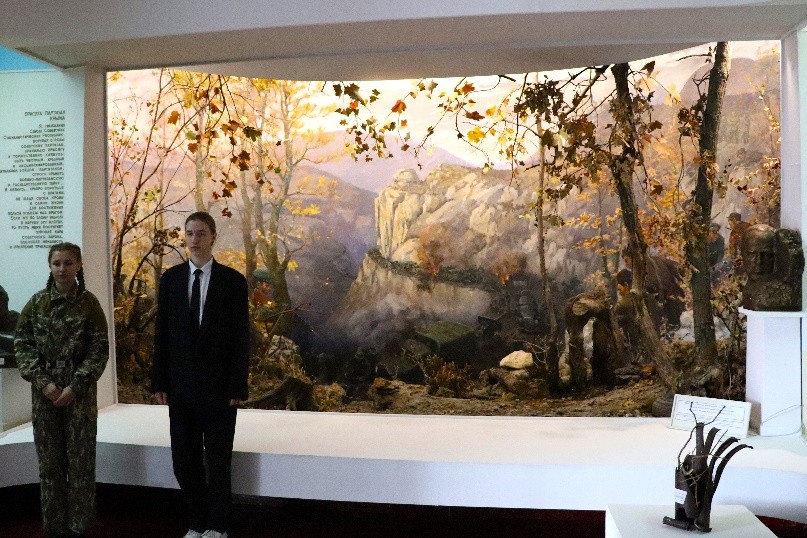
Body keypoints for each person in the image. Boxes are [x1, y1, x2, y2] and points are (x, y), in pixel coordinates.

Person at [150, 211, 250, 538]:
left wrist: (237, 385)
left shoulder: (232, 282)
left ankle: (218, 525)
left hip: (219, 388)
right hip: (181, 386)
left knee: (218, 460)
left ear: (213, 236)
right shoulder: (171, 280)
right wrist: (159, 381)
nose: (195, 239)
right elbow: (162, 334)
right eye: (190, 233)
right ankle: (196, 522)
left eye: (201, 233)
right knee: (184, 460)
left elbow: (240, 337)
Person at [14, 242, 109, 538]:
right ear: (50, 266)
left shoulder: (89, 304)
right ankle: (54, 526)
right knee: (50, 464)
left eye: (68, 263)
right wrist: (44, 383)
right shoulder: (37, 303)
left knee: (81, 463)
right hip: (45, 392)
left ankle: (79, 525)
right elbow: (22, 345)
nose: (62, 269)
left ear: (78, 266)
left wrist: (76, 385)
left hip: (79, 393)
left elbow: (99, 348)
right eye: (57, 263)